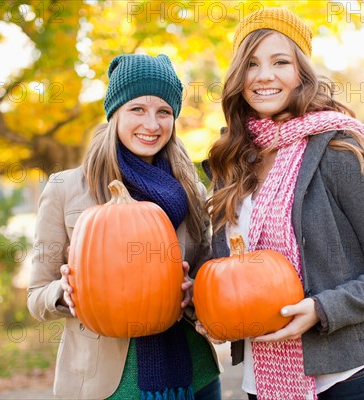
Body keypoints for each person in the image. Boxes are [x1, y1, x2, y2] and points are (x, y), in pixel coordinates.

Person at [204, 8, 364, 400]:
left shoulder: (338, 148)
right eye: (251, 64)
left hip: (350, 378)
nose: (264, 75)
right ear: (237, 77)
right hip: (264, 383)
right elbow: (229, 268)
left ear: (302, 71)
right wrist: (206, 310)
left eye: (281, 62)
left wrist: (321, 309)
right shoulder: (232, 161)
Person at [27, 53, 221, 400]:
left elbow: (208, 270)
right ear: (115, 112)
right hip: (108, 386)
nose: (152, 124)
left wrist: (197, 291)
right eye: (137, 109)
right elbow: (36, 295)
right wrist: (64, 293)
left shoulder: (191, 186)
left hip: (196, 376)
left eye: (164, 112)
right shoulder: (67, 188)